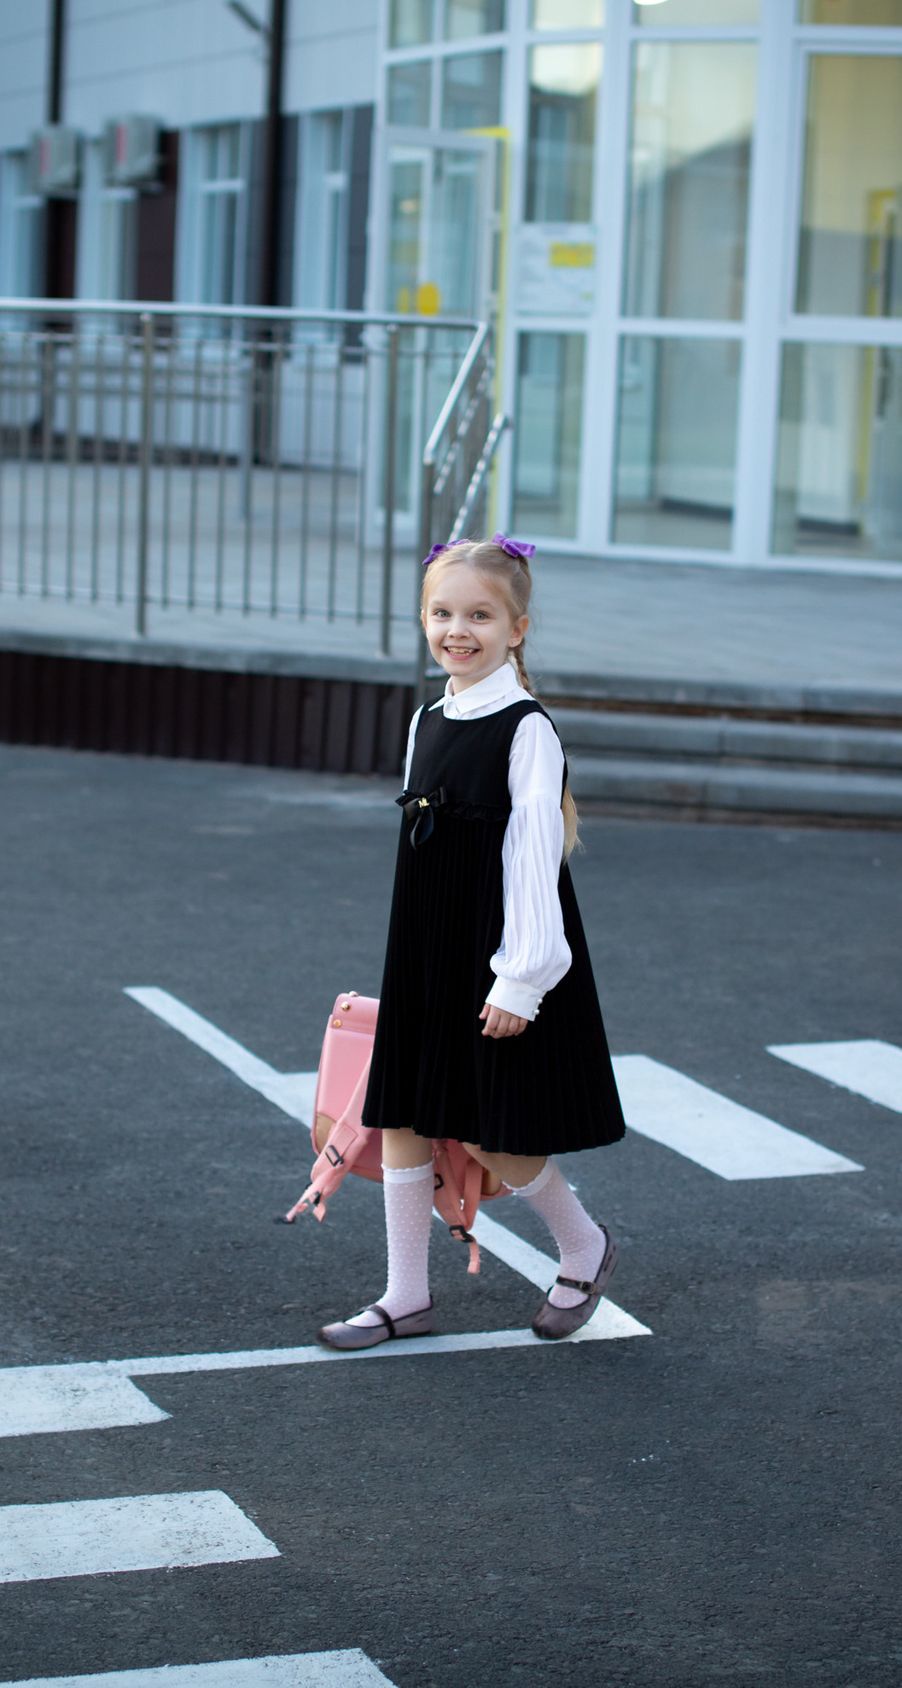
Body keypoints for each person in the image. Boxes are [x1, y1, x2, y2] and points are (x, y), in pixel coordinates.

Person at [318, 536, 627, 1350]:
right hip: (425, 949)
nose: (459, 629)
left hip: (493, 960)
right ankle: (405, 1294)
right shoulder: (430, 717)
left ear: (516, 627)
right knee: (405, 1118)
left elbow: (533, 857)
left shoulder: (526, 728)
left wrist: (518, 980)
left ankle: (585, 1245)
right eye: (443, 613)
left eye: (480, 615)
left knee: (494, 1131)